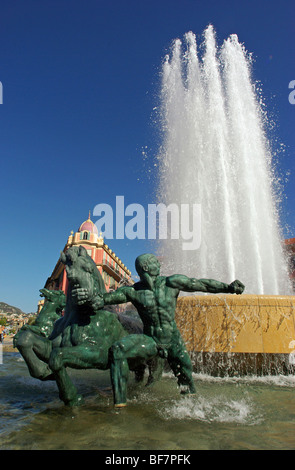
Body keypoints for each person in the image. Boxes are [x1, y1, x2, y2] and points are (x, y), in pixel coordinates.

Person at [72, 253, 245, 406]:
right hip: (151, 340)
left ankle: (191, 404)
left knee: (186, 374)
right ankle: (120, 404)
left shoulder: (171, 282)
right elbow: (104, 300)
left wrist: (228, 287)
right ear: (147, 267)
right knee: (118, 350)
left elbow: (201, 284)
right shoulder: (133, 291)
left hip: (173, 340)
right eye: (155, 262)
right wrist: (90, 297)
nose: (159, 265)